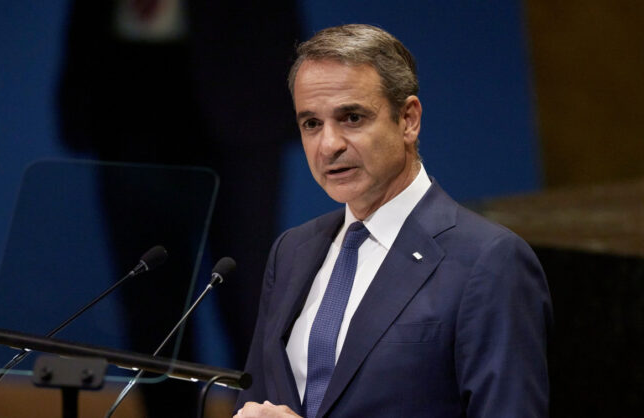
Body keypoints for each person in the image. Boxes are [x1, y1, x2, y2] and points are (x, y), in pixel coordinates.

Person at [234, 24, 552, 418]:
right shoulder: (291, 252)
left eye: (352, 117)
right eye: (311, 123)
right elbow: (255, 401)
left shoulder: (489, 261)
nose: (328, 145)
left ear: (408, 120)